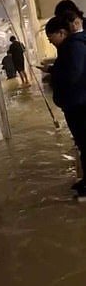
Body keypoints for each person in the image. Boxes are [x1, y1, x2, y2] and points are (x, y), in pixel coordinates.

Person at [45, 15, 86, 196]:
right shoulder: (69, 47)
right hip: (74, 104)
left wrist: (56, 75)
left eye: (51, 37)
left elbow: (73, 75)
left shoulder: (74, 46)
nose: (50, 41)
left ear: (62, 32)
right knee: (83, 145)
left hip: (79, 105)